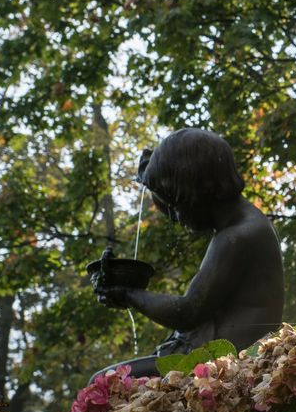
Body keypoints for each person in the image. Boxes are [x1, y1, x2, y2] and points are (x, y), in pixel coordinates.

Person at [93, 128, 284, 379]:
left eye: (175, 205)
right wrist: (152, 179)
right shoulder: (243, 224)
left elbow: (188, 312)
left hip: (228, 369)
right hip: (216, 359)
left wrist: (129, 294)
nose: (175, 217)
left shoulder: (235, 238)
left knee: (103, 383)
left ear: (196, 192)